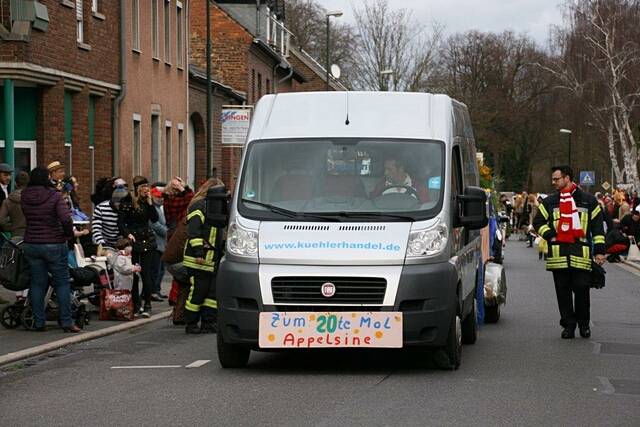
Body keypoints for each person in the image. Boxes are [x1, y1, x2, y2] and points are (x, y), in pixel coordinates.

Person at [533, 165, 605, 340]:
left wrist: (600, 251)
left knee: (582, 290)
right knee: (562, 292)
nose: (553, 182)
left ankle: (584, 324)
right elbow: (538, 222)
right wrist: (550, 235)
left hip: (581, 253)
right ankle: (568, 325)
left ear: (567, 178)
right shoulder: (550, 201)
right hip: (559, 254)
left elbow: (597, 228)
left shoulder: (588, 200)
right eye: (553, 179)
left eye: (556, 179)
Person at [21, 166, 80, 332]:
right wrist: (68, 235)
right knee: (61, 282)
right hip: (54, 242)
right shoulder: (54, 195)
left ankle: (39, 322)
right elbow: (65, 219)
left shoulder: (25, 195)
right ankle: (66, 321)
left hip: (31, 242)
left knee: (37, 283)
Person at [183, 178, 225, 334]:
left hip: (213, 258)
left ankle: (209, 322)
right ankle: (191, 323)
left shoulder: (217, 207)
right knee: (198, 291)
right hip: (197, 259)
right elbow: (194, 232)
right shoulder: (199, 206)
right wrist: (199, 252)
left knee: (212, 294)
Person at [118, 176, 159, 318]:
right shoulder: (127, 202)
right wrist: (127, 234)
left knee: (145, 273)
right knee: (134, 274)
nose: (146, 189)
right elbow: (121, 222)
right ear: (136, 188)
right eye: (143, 187)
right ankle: (136, 304)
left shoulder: (147, 202)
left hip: (146, 239)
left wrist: (150, 202)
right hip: (133, 240)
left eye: (147, 186)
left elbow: (154, 219)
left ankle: (147, 304)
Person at [150, 184, 168, 301]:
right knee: (155, 270)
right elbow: (154, 224)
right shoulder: (153, 209)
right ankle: (153, 291)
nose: (161, 198)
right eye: (158, 196)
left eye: (162, 197)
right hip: (156, 243)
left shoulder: (159, 208)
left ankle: (157, 289)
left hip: (161, 244)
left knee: (161, 270)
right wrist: (167, 231)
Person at [0, 171, 29, 238]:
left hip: (16, 236)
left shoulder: (8, 201)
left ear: (16, 183)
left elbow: (1, 221)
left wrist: (13, 227)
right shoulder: (35, 198)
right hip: (33, 236)